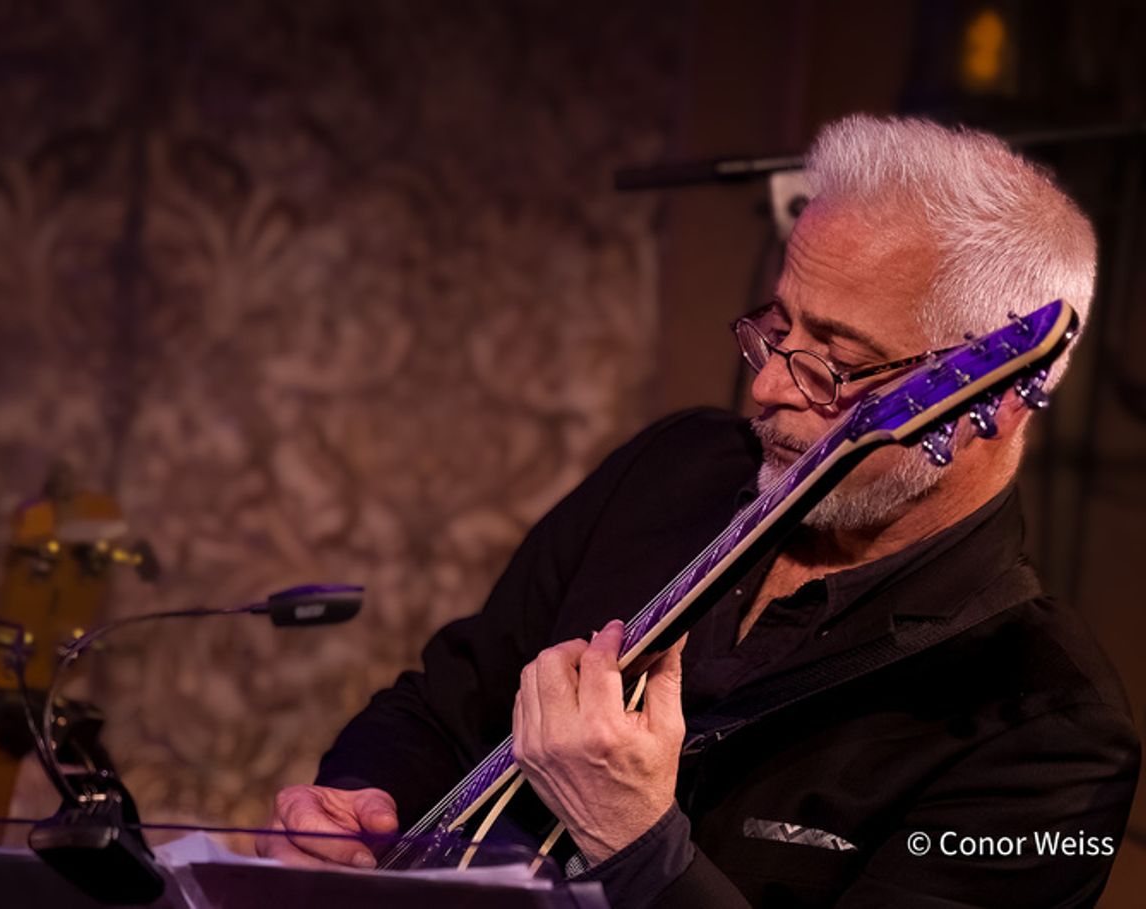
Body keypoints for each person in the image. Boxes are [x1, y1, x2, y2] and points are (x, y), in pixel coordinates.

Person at [259, 115, 1140, 907]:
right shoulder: (675, 469)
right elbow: (445, 706)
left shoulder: (1053, 736)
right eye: (778, 328)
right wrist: (362, 801)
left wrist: (636, 846)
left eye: (834, 364)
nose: (765, 385)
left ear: (992, 402)